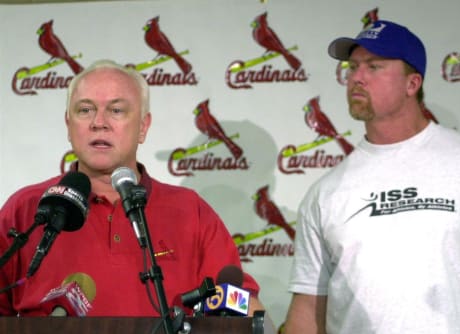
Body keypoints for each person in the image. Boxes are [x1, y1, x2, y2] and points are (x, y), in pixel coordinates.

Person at [0, 59, 263, 317]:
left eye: (116, 110)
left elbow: (239, 302)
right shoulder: (26, 209)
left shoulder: (190, 211)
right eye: (85, 110)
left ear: (143, 127)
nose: (98, 122)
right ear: (69, 126)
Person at [282, 20, 460, 334]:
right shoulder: (327, 192)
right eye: (353, 67)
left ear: (412, 83)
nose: (357, 77)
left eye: (374, 66)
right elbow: (309, 304)